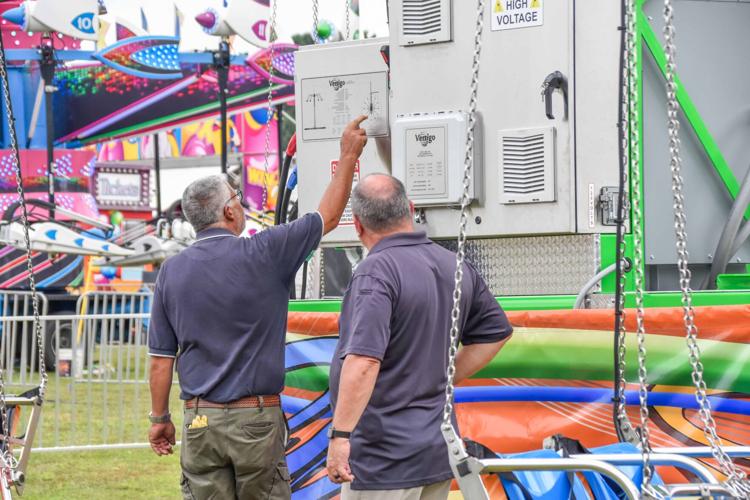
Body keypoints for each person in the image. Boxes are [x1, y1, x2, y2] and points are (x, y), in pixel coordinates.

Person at [147, 116, 369, 500]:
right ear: (229, 212)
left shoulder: (171, 273)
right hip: (256, 418)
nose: (242, 205)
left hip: (199, 419)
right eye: (237, 198)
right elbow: (328, 216)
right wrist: (348, 154)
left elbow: (161, 360)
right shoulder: (266, 252)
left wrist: (160, 419)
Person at [326, 174, 513, 500]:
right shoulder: (453, 264)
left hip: (384, 461)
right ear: (410, 209)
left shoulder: (375, 271)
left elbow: (365, 361)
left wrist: (340, 436)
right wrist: (443, 375)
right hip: (435, 450)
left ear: (356, 225)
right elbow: (495, 334)